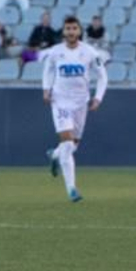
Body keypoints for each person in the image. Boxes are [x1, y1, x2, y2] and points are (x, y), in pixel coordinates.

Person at [39, 16, 107, 203]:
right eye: (68, 28)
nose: (71, 32)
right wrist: (46, 89)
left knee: (72, 146)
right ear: (64, 31)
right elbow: (48, 70)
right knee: (68, 144)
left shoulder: (89, 52)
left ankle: (54, 154)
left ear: (79, 31)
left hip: (81, 102)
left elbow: (102, 76)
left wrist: (98, 97)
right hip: (60, 101)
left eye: (74, 28)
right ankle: (72, 189)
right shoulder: (56, 52)